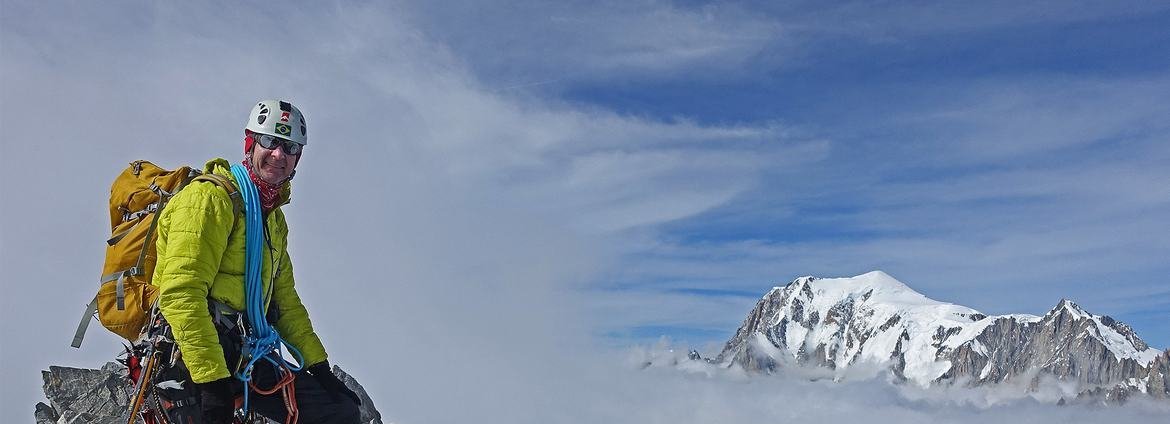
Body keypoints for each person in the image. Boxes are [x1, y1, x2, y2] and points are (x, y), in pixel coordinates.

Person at [152, 99, 361, 424]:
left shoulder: (272, 221)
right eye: (270, 141)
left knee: (338, 412)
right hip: (189, 352)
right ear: (250, 143)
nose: (279, 154)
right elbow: (181, 293)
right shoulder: (209, 199)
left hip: (242, 353)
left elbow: (285, 304)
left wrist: (319, 367)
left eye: (290, 147)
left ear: (297, 159)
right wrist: (211, 382)